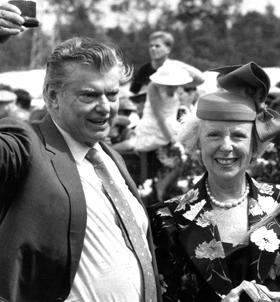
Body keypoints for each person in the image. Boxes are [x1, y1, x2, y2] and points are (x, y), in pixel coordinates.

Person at [149, 62, 280, 302]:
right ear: (197, 142)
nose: (226, 146)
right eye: (213, 134)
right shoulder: (166, 218)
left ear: (255, 145)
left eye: (238, 135)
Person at [0, 37, 160, 301]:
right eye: (89, 95)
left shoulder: (109, 158)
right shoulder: (26, 144)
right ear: (52, 96)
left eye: (112, 94)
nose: (105, 107)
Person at [129, 30, 177, 94]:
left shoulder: (175, 70)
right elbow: (133, 94)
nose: (153, 48)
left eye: (157, 46)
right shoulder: (143, 71)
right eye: (151, 46)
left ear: (168, 49)